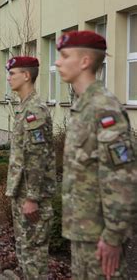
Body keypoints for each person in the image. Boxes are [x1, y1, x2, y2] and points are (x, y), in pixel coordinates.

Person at [55, 30, 137, 279]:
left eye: (64, 55)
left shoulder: (104, 109)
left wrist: (113, 237)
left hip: (100, 236)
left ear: (84, 62)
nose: (57, 62)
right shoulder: (83, 106)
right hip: (83, 230)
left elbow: (121, 178)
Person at [5, 56, 56, 279]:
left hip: (31, 195)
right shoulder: (23, 108)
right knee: (25, 250)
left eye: (12, 74)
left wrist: (33, 197)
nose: (8, 78)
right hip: (22, 191)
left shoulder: (36, 110)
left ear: (26, 76)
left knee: (34, 254)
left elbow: (37, 156)